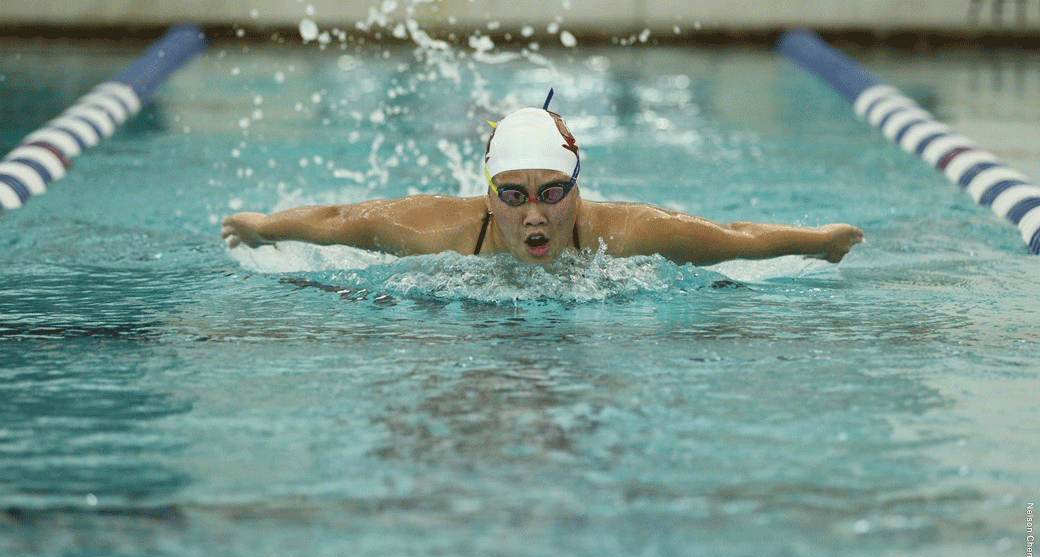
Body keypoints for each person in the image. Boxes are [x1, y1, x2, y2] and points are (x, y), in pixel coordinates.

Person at [222, 91, 863, 267]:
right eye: (515, 195)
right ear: (489, 196)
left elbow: (732, 237)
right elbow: (342, 222)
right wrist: (261, 227)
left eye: (552, 193)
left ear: (577, 191)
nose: (535, 214)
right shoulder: (440, 231)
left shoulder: (624, 233)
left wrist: (816, 242)